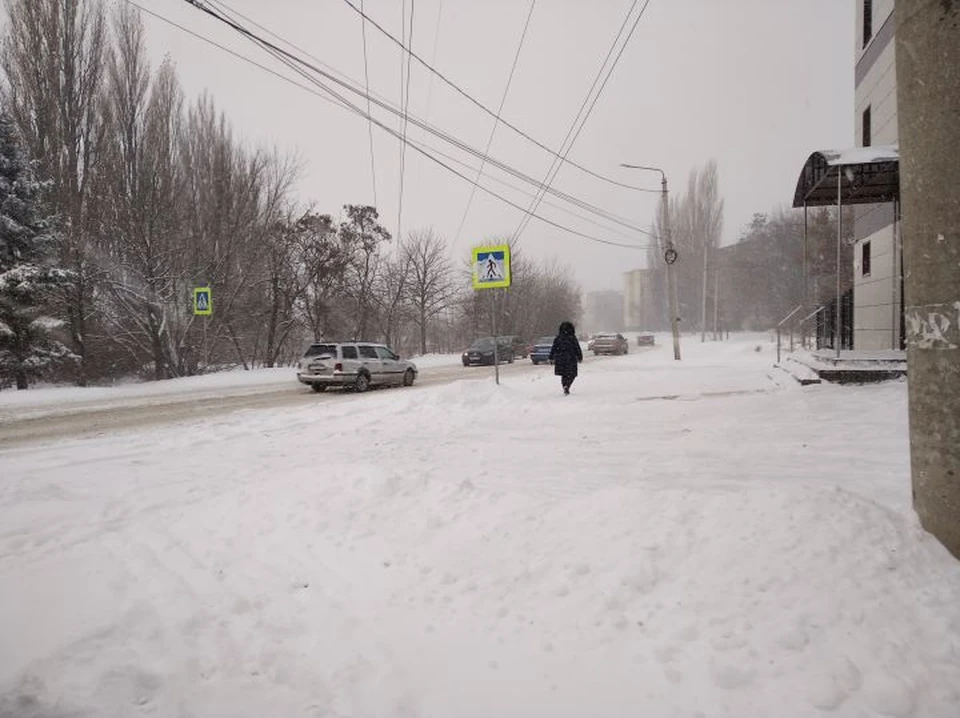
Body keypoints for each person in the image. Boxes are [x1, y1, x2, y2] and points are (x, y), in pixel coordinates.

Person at [549, 321, 583, 395]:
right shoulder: (572, 338)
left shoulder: (558, 338)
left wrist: (551, 357)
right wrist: (580, 357)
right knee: (572, 374)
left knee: (564, 374)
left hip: (560, 358)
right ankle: (567, 385)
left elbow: (553, 348)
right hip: (570, 358)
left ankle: (565, 385)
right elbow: (577, 348)